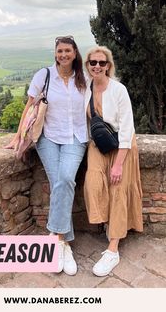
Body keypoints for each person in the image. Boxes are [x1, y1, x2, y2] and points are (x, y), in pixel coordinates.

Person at [6, 36, 87, 275]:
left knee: (64, 179)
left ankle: (59, 239)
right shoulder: (44, 75)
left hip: (76, 137)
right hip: (48, 137)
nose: (63, 54)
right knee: (59, 183)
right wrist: (18, 136)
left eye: (68, 51)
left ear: (74, 53)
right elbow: (30, 107)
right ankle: (64, 244)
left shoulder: (84, 78)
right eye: (60, 50)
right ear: (55, 53)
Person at [84, 45, 143, 277]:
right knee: (93, 183)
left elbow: (127, 128)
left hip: (122, 145)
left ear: (108, 65)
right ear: (88, 65)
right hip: (99, 144)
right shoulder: (86, 90)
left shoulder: (119, 90)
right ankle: (108, 222)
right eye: (93, 62)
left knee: (118, 189)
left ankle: (113, 249)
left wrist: (119, 163)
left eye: (101, 62)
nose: (97, 66)